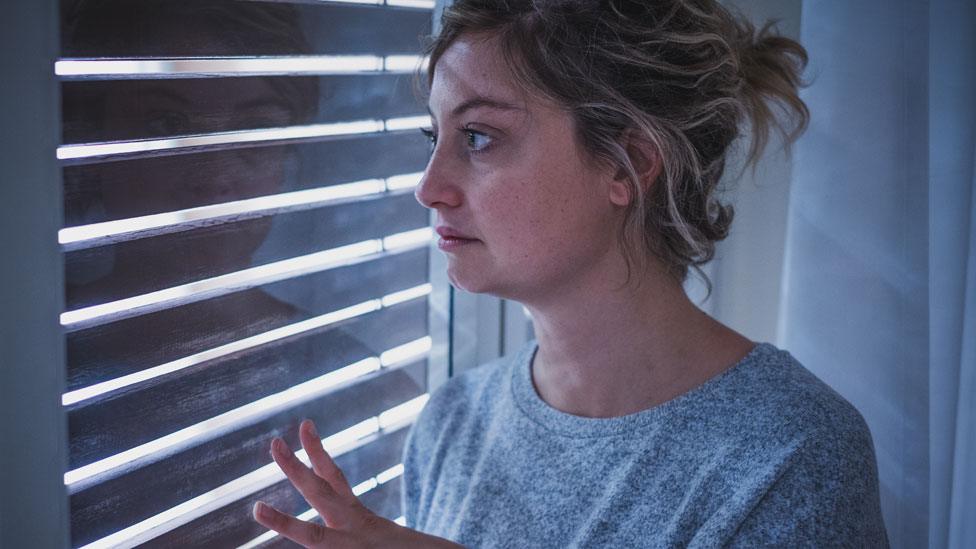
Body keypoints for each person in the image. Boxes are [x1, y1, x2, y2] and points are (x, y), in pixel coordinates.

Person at [254, 0, 890, 547]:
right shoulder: (452, 423)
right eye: (434, 137)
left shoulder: (792, 453)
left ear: (627, 164)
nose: (429, 188)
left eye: (477, 137)